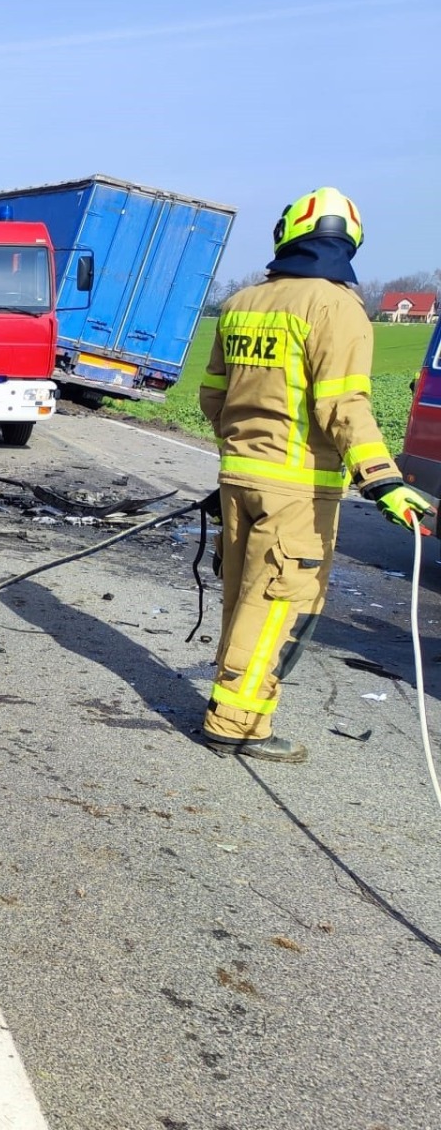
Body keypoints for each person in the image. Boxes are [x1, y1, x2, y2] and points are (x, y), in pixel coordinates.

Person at [196, 186, 432, 763]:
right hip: (299, 488)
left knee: (242, 597)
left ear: (289, 234)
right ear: (348, 243)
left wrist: (245, 454)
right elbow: (343, 405)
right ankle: (236, 720)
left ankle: (235, 703)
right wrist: (383, 479)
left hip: (240, 478)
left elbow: (211, 396)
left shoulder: (244, 302)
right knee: (279, 601)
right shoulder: (337, 308)